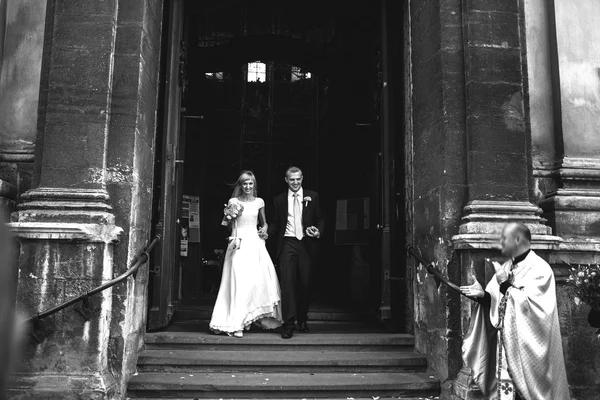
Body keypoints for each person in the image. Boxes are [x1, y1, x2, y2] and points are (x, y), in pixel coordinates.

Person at [460, 222, 570, 400]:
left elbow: (534, 311)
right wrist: (483, 296)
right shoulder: (506, 267)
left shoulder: (540, 269)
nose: (501, 243)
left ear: (518, 239)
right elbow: (500, 305)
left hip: (530, 351)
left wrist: (504, 284)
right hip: (506, 349)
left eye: (504, 238)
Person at [208, 171, 283, 337]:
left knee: (254, 282)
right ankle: (236, 323)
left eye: (250, 183)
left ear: (254, 185)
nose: (248, 186)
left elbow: (264, 224)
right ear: (240, 185)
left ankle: (247, 319)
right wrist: (230, 216)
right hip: (238, 242)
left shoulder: (259, 202)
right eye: (244, 184)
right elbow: (227, 226)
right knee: (237, 281)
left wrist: (265, 229)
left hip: (255, 244)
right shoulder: (233, 201)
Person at [269, 166, 324, 339]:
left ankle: (302, 318)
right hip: (287, 243)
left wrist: (318, 231)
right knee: (288, 284)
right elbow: (276, 223)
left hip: (306, 243)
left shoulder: (313, 196)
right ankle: (288, 323)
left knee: (305, 284)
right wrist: (265, 232)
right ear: (286, 180)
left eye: (298, 179)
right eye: (292, 179)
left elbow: (321, 218)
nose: (295, 182)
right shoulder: (278, 200)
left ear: (302, 179)